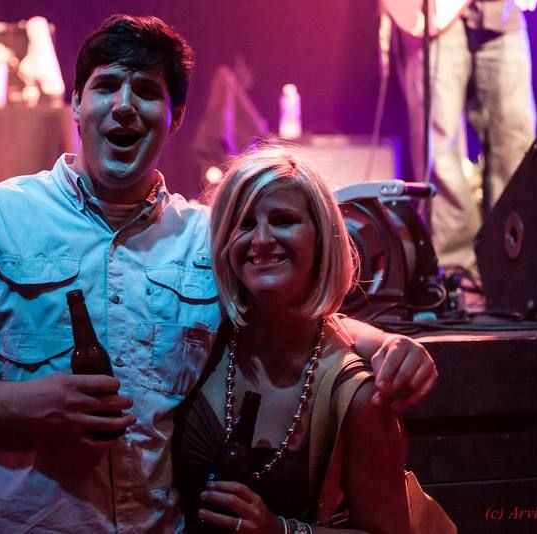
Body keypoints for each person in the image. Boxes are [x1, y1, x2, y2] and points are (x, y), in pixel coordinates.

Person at [0, 14, 435, 533]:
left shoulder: (208, 240)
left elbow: (290, 315)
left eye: (146, 91)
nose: (124, 105)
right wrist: (31, 404)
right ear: (76, 105)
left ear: (175, 118)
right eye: (106, 86)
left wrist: (383, 343)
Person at [174, 145, 411, 533]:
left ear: (323, 238)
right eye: (244, 224)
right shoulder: (200, 341)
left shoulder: (358, 396)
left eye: (282, 220)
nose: (261, 239)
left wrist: (279, 530)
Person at [390, 0, 537, 270]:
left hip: (500, 11)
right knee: (439, 148)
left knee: (516, 142)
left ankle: (510, 266)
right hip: (432, 14)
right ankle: (457, 271)